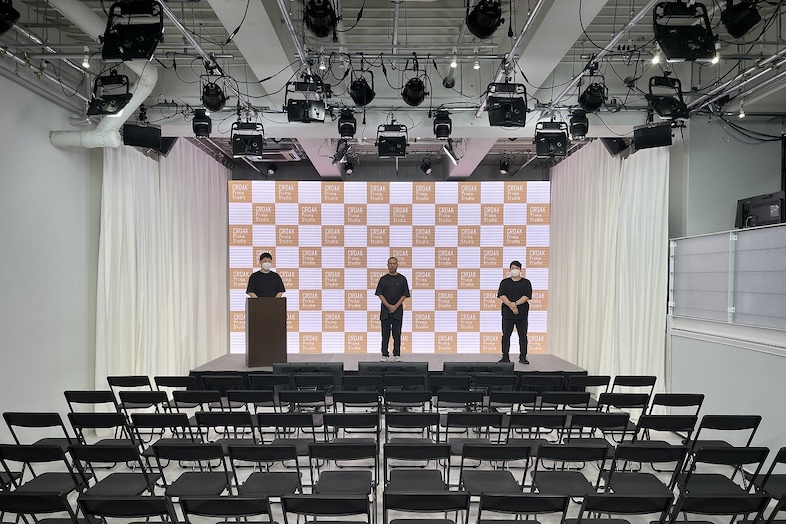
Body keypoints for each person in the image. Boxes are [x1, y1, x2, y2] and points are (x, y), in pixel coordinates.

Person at [375, 257, 410, 362]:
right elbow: (380, 294)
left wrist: (395, 306)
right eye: (390, 263)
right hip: (385, 311)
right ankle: (384, 354)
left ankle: (397, 354)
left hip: (397, 311)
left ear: (397, 265)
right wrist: (389, 306)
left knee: (397, 333)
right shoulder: (383, 279)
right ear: (387, 265)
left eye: (394, 263)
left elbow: (405, 294)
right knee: (385, 334)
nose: (392, 265)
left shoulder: (402, 279)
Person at [497, 260, 532, 364]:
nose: (514, 270)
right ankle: (505, 357)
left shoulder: (526, 282)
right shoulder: (505, 282)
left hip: (522, 314)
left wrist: (516, 304)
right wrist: (511, 306)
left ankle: (523, 357)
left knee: (522, 335)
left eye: (516, 268)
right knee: (506, 335)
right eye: (512, 268)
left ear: (520, 270)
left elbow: (527, 296)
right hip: (507, 314)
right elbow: (501, 295)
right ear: (510, 270)